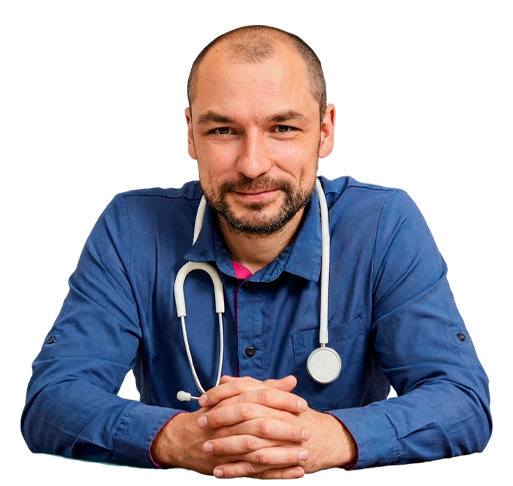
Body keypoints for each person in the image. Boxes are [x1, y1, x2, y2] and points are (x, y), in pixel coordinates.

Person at [20, 26, 492, 480]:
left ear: (325, 130)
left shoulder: (384, 227)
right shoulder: (131, 230)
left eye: (282, 128)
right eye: (223, 130)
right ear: (191, 135)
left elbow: (464, 402)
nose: (252, 164)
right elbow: (49, 401)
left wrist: (325, 437)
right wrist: (179, 437)